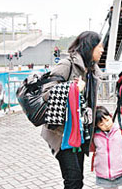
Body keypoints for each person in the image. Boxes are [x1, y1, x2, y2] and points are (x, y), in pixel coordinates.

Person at [41, 31, 104, 189]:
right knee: (73, 180)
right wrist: (73, 88)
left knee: (78, 179)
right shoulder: (67, 64)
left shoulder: (92, 71)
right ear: (90, 47)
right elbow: (46, 92)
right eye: (99, 46)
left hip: (79, 132)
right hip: (61, 133)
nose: (102, 50)